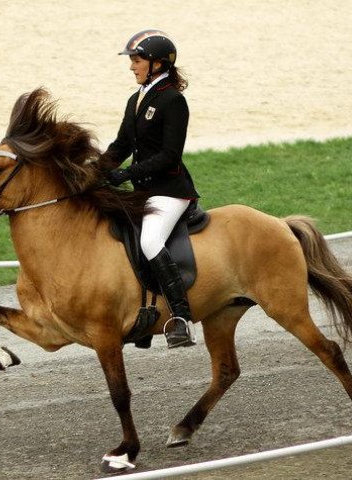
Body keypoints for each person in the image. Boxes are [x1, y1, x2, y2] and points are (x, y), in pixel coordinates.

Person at [101, 29, 199, 348]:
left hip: (171, 190)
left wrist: (126, 173)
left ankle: (181, 318)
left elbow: (169, 155)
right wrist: (93, 171)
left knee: (151, 239)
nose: (132, 66)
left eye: (137, 59)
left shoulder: (173, 100)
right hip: (144, 191)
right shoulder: (136, 99)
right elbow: (120, 145)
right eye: (132, 60)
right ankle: (142, 315)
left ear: (157, 64)